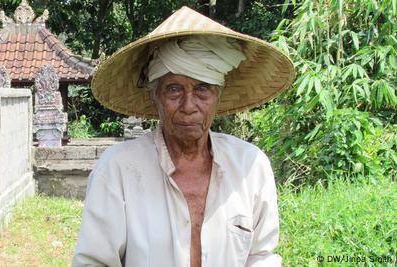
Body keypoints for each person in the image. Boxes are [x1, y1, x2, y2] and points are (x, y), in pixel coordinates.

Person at [72, 6, 295, 267]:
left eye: (203, 89)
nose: (189, 105)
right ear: (154, 97)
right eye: (174, 90)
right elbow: (93, 262)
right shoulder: (118, 169)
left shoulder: (251, 166)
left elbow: (262, 257)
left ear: (218, 96)